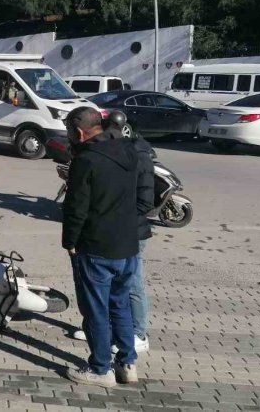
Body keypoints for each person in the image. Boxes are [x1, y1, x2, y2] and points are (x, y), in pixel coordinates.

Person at [62, 106, 140, 387]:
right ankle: (127, 364)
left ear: (79, 132)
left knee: (95, 310)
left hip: (96, 247)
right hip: (128, 245)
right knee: (120, 305)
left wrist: (70, 242)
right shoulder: (129, 150)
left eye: (69, 131)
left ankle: (100, 369)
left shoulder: (87, 161)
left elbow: (76, 209)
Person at [73, 111, 155, 354]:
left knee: (129, 289)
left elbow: (144, 200)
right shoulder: (120, 152)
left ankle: (136, 334)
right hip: (122, 232)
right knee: (117, 298)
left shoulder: (133, 153)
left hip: (127, 234)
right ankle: (123, 352)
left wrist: (116, 219)